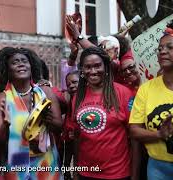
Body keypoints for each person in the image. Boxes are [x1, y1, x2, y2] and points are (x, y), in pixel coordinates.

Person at [0, 47, 62, 179]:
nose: (21, 64)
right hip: (16, 166)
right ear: (8, 70)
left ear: (31, 66)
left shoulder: (45, 92)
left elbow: (59, 127)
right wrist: (6, 125)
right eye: (15, 62)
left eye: (24, 61)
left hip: (45, 163)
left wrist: (48, 118)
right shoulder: (3, 97)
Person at [70, 47, 133, 179]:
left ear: (106, 67)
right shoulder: (77, 97)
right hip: (85, 173)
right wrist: (76, 169)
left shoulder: (123, 93)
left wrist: (135, 174)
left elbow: (134, 138)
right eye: (87, 67)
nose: (93, 71)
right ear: (82, 70)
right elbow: (76, 137)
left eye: (97, 66)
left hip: (117, 174)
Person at [129, 21, 173, 180]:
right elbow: (134, 130)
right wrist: (159, 134)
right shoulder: (146, 89)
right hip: (157, 168)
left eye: (170, 47)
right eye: (160, 48)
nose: (162, 51)